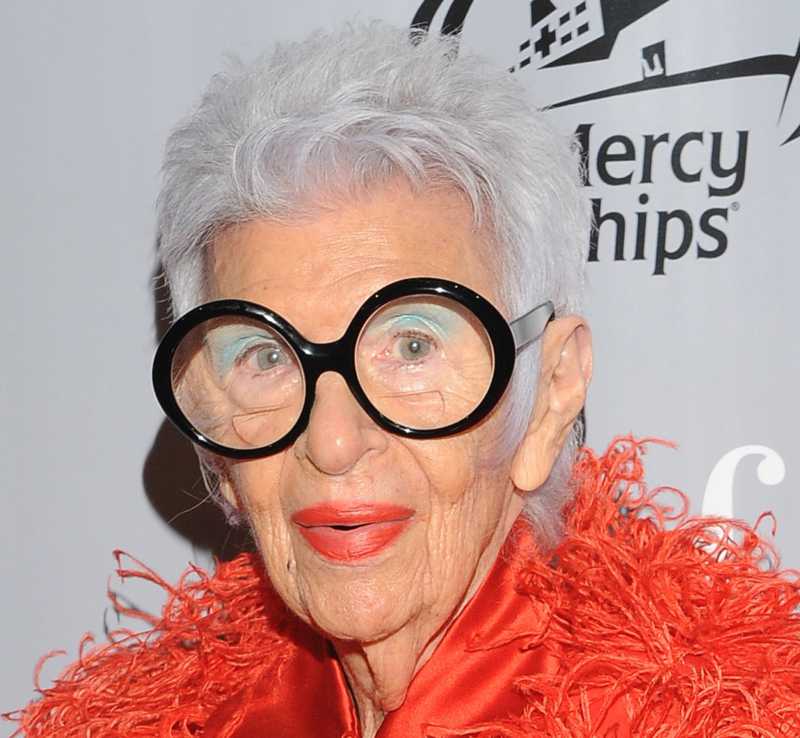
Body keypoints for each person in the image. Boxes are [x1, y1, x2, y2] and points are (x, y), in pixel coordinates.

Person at [10, 22, 800, 738]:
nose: (332, 443)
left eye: (412, 346)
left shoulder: (729, 717)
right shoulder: (159, 722)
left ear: (550, 394)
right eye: (267, 357)